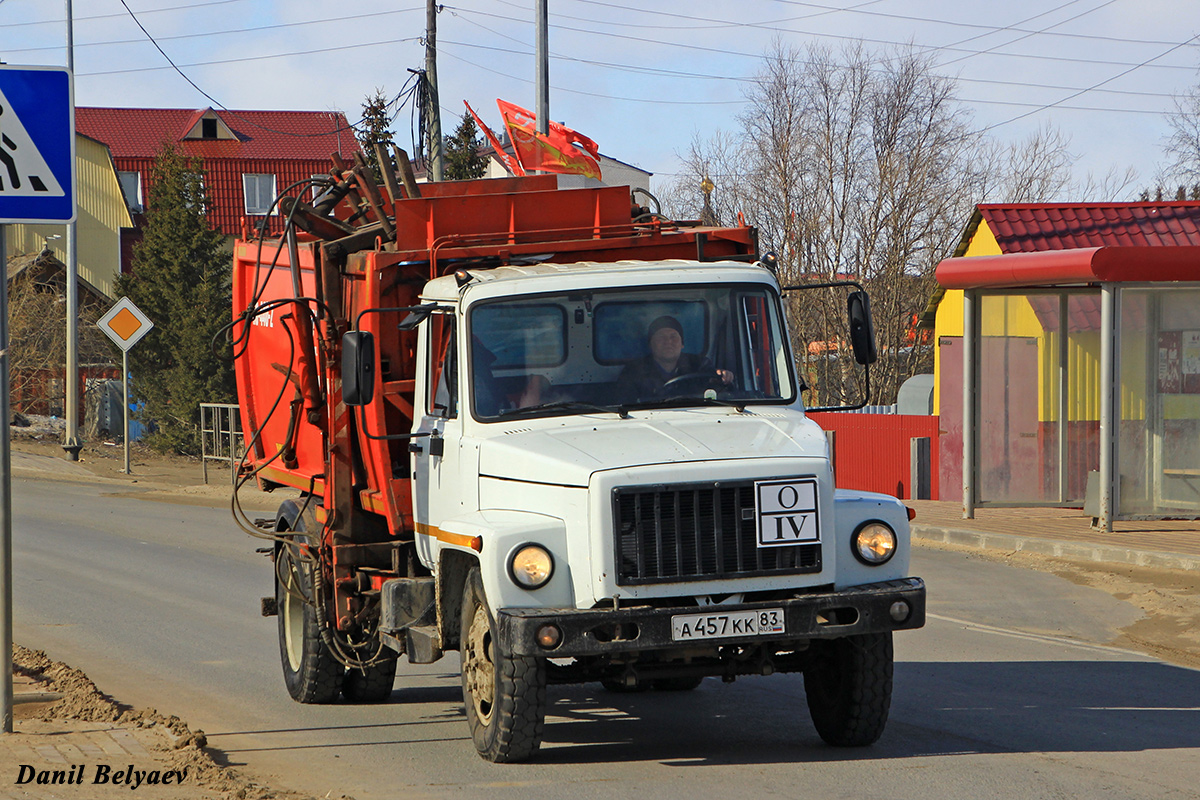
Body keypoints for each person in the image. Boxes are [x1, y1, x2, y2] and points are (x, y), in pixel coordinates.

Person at [617, 315, 732, 401]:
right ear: (650, 344)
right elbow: (624, 405)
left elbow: (720, 396)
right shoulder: (634, 371)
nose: (668, 342)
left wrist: (724, 378)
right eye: (661, 337)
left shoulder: (700, 364)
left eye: (673, 337)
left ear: (682, 344)